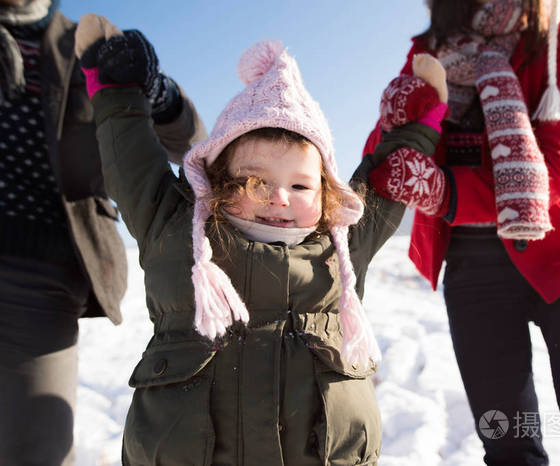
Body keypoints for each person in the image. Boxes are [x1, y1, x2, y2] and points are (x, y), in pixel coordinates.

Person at [75, 13, 449, 463]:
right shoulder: (176, 229)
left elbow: (386, 181)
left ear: (327, 190)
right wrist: (116, 91)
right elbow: (131, 162)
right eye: (256, 181)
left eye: (300, 185)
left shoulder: (341, 242)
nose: (280, 199)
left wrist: (418, 126)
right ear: (218, 183)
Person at [364, 0, 560, 464]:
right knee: (507, 444)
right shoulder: (430, 51)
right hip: (470, 269)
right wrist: (401, 108)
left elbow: (554, 169)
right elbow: (388, 154)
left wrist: (442, 190)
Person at [0, 1, 206, 465]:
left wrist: (155, 91)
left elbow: (191, 145)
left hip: (38, 277)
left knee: (35, 452)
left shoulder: (89, 46)